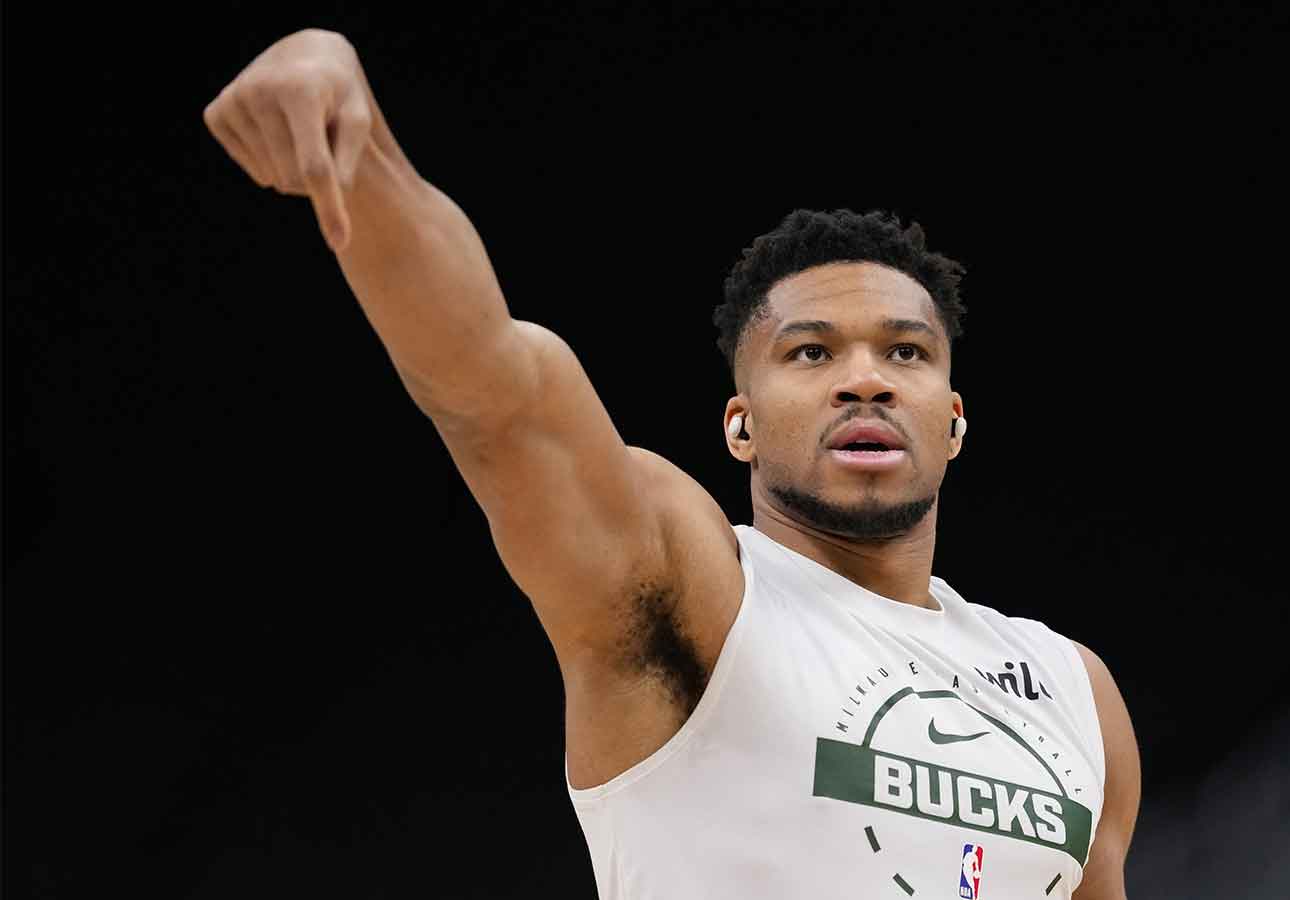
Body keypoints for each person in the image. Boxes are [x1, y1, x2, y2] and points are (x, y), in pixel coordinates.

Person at [203, 28, 1141, 899]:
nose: (866, 382)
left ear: (954, 421)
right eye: (810, 354)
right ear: (740, 425)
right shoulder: (692, 583)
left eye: (906, 353)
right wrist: (364, 166)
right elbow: (494, 390)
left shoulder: (1070, 688)